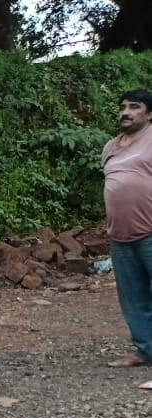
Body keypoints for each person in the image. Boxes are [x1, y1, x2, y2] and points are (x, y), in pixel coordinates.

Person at [101, 89, 152, 383]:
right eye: (123, 107)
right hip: (120, 234)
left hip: (151, 231)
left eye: (135, 106)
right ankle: (145, 351)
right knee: (133, 297)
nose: (126, 112)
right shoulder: (111, 147)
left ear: (149, 113)